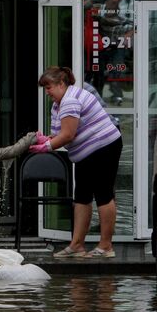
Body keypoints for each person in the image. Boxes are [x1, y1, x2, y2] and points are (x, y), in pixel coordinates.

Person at [30, 66, 122, 258]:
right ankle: (77, 245)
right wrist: (45, 139)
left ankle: (106, 246)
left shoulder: (70, 101)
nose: (47, 92)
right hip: (86, 152)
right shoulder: (60, 102)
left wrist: (46, 147)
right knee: (81, 196)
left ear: (61, 84)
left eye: (49, 87)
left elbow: (68, 135)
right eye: (45, 88)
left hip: (103, 147)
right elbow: (60, 133)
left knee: (103, 194)